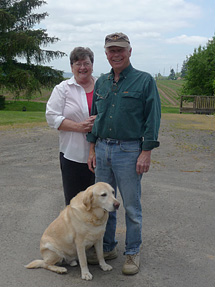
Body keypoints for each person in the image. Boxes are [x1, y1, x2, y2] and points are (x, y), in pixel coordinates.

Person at [87, 33, 161, 275]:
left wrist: (146, 152)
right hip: (102, 147)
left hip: (129, 150)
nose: (116, 54)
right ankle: (108, 248)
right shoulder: (102, 82)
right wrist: (92, 148)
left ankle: (132, 253)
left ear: (130, 51)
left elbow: (153, 118)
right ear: (106, 54)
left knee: (130, 206)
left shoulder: (144, 81)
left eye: (120, 49)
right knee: (104, 204)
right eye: (111, 50)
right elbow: (94, 117)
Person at [46, 47, 96, 206]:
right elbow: (51, 117)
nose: (83, 67)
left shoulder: (103, 86)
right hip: (72, 156)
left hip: (102, 156)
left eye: (86, 63)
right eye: (78, 63)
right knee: (75, 205)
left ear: (92, 65)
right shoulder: (62, 89)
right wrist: (79, 127)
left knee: (98, 206)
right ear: (71, 67)